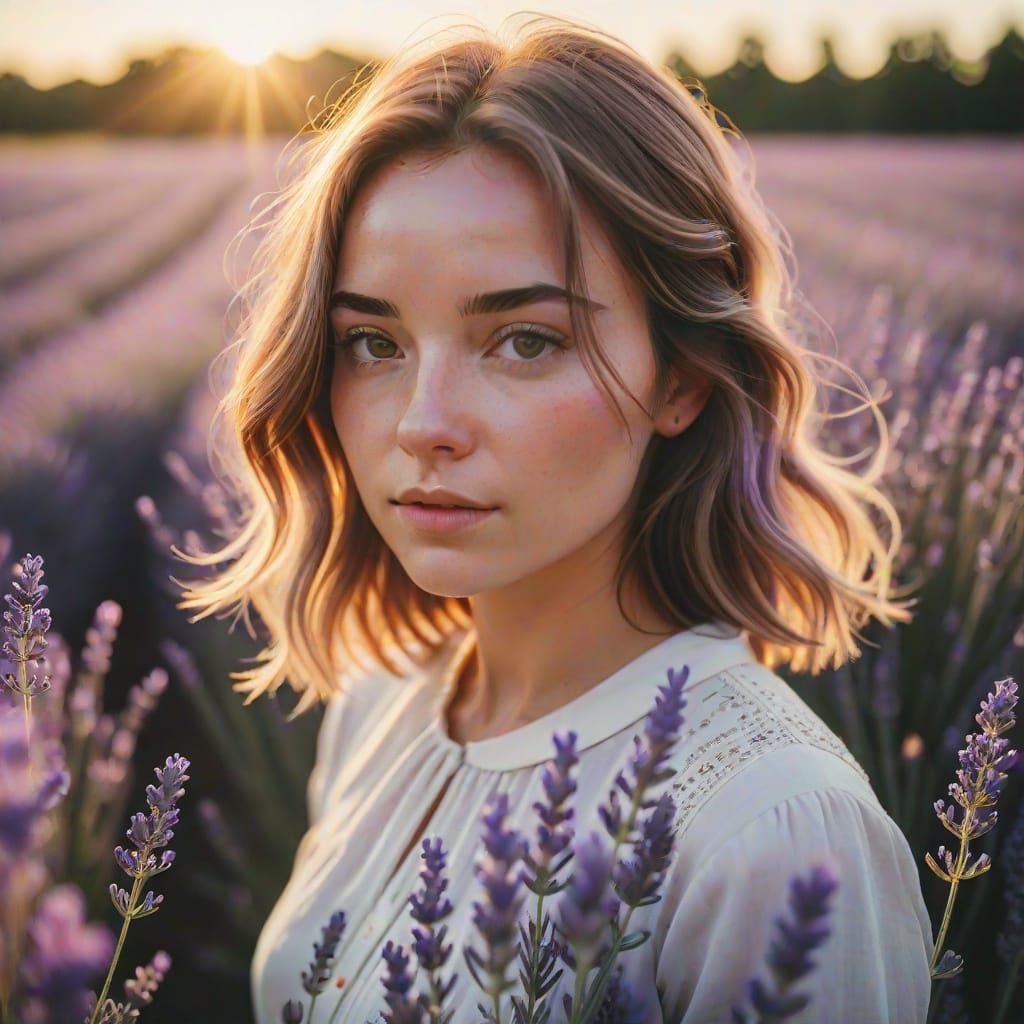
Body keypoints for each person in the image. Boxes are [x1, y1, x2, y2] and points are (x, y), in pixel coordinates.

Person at [176, 12, 933, 1023]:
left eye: (523, 341)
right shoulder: (382, 705)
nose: (423, 423)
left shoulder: (774, 833)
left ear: (684, 378)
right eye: (372, 342)